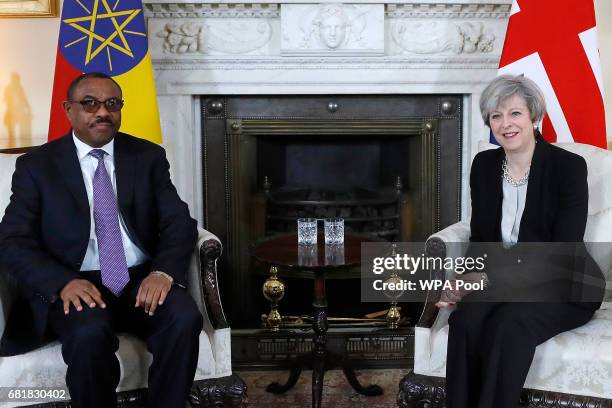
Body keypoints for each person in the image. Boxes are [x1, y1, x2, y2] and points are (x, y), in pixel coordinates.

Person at [0, 72, 202, 408]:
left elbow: (179, 223)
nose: (102, 112)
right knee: (88, 333)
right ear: (68, 110)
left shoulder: (147, 157)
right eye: (89, 103)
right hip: (77, 283)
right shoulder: (37, 166)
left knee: (183, 316)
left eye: (112, 104)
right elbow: (12, 240)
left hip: (140, 278)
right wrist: (62, 283)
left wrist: (163, 272)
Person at [436, 74, 605, 408]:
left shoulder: (568, 167)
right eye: (496, 116)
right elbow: (482, 238)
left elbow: (560, 251)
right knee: (465, 320)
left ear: (534, 117)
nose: (505, 124)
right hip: (502, 281)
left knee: (508, 325)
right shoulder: (484, 166)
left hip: (562, 284)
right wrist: (461, 280)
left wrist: (485, 280)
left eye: (515, 113)